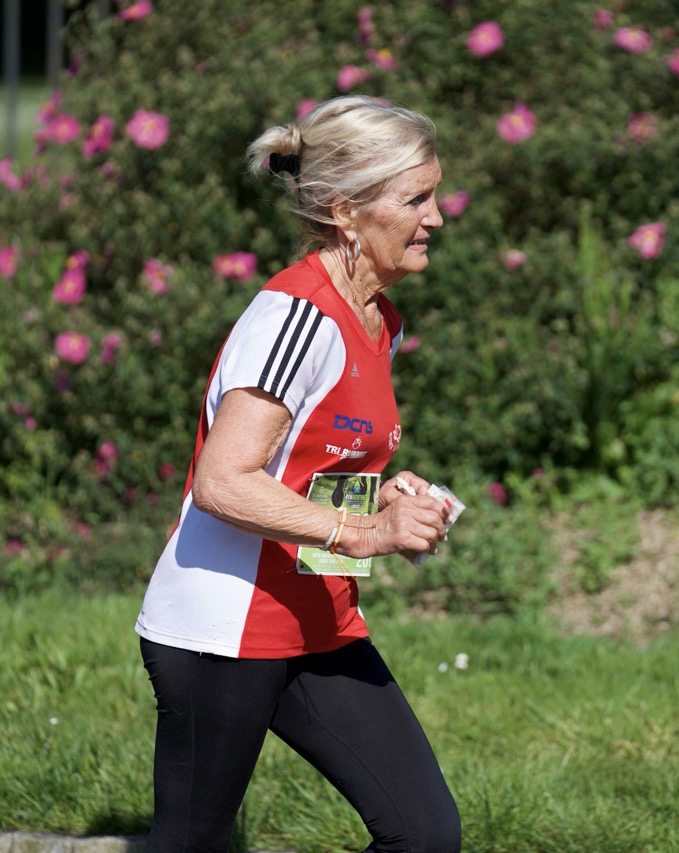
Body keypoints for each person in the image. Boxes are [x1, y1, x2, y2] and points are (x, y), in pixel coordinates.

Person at [134, 95, 460, 853]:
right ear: (346, 212)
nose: (437, 218)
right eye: (416, 199)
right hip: (222, 628)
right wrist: (365, 532)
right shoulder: (298, 315)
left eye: (435, 195)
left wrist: (386, 498)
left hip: (317, 619)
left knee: (424, 835)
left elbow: (307, 465)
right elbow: (223, 481)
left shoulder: (379, 318)